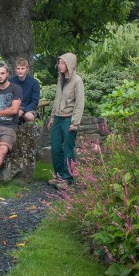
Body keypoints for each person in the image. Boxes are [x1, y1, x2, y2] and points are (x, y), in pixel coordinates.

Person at [47, 53, 85, 188]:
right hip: (58, 118)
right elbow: (57, 98)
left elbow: (79, 103)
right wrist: (52, 116)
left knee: (68, 150)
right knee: (56, 149)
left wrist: (75, 123)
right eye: (59, 63)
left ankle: (67, 179)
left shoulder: (77, 81)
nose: (60, 66)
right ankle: (59, 176)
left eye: (62, 63)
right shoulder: (60, 79)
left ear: (70, 64)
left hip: (69, 119)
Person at [8, 57, 40, 122]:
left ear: (27, 69)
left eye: (22, 69)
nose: (20, 71)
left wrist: (23, 110)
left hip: (29, 108)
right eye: (18, 69)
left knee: (29, 116)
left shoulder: (34, 83)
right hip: (14, 107)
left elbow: (34, 102)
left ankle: (29, 131)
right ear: (15, 69)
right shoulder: (10, 82)